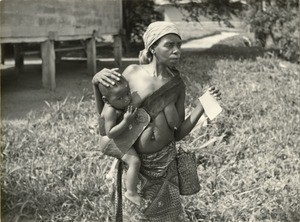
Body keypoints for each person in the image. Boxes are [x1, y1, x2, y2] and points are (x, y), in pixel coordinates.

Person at [92, 21, 221, 221]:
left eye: (179, 45)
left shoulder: (177, 85)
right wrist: (95, 83)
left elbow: (178, 132)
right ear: (152, 47)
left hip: (165, 165)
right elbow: (106, 114)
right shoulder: (132, 73)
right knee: (133, 216)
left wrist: (201, 106)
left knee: (166, 217)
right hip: (136, 166)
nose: (177, 51)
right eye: (169, 45)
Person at [97, 75, 143, 206]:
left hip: (117, 138)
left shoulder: (117, 104)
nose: (127, 99)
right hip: (109, 142)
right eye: (120, 98)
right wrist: (126, 120)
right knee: (134, 161)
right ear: (106, 100)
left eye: (128, 93)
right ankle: (131, 191)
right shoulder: (110, 110)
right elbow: (110, 133)